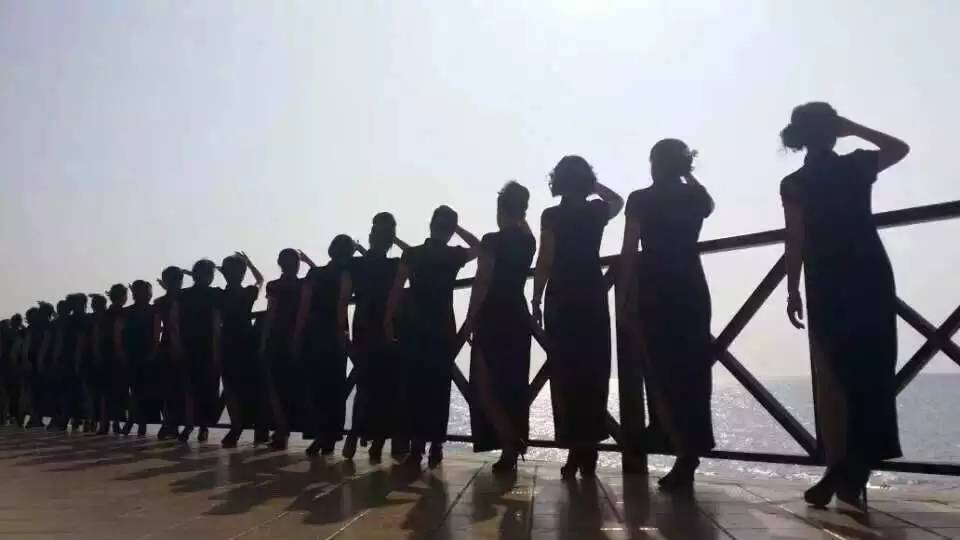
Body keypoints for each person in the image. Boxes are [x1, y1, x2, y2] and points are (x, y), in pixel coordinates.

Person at [779, 103, 909, 508]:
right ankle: (851, 469)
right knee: (873, 373)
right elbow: (899, 148)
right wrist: (855, 127)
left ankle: (842, 468)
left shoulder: (794, 182)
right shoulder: (856, 165)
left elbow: (795, 239)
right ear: (833, 130)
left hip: (826, 278)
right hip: (869, 272)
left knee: (839, 377)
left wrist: (792, 289)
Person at [617, 139, 715, 490]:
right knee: (693, 371)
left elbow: (629, 249)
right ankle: (689, 448)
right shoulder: (694, 197)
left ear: (655, 163)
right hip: (691, 283)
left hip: (656, 286)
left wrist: (625, 295)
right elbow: (709, 203)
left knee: (659, 370)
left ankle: (677, 443)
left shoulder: (640, 199)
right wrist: (688, 174)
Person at [532, 155, 624, 479]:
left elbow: (545, 258)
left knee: (566, 374)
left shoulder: (551, 215)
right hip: (591, 293)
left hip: (561, 296)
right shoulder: (596, 210)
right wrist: (594, 185)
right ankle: (589, 448)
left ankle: (575, 449)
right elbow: (618, 201)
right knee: (593, 372)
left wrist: (536, 297)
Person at [385, 205, 480, 469]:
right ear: (449, 231)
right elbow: (479, 247)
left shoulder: (413, 253)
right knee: (439, 387)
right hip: (442, 326)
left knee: (414, 386)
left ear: (430, 224)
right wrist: (458, 228)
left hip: (414, 326)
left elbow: (397, 288)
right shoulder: (453, 254)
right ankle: (436, 444)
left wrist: (388, 319)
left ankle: (416, 445)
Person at [464, 181, 536, 474]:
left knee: (483, 383)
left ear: (500, 209)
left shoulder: (492, 241)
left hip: (493, 313)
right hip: (517, 312)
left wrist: (471, 317)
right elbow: (525, 229)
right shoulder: (528, 241)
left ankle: (509, 439)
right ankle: (510, 447)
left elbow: (482, 280)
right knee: (512, 382)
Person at [348, 212, 411, 460]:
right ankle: (378, 441)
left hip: (363, 325)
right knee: (386, 387)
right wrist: (395, 240)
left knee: (364, 384)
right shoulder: (394, 265)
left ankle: (355, 435)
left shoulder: (356, 265)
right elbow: (412, 255)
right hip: (389, 326)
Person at [294, 235, 355, 456]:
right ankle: (329, 436)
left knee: (316, 387)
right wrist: (343, 333)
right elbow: (341, 303)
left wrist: (298, 334)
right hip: (333, 333)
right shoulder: (345, 274)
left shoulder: (315, 274)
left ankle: (320, 434)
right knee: (334, 387)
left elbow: (304, 305)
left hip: (313, 332)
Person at [261, 248, 306, 450]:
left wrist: (263, 342)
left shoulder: (274, 286)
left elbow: (270, 314)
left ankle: (281, 430)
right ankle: (288, 428)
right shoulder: (304, 284)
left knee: (275, 388)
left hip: (277, 337)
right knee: (293, 387)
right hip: (299, 338)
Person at [218, 251, 265, 448]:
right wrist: (250, 263)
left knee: (230, 387)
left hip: (227, 340)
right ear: (243, 273)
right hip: (247, 340)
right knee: (251, 386)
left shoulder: (219, 295)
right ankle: (258, 430)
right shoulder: (249, 292)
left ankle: (236, 426)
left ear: (225, 273)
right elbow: (260, 279)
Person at [179, 259, 223, 443]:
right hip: (205, 345)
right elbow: (216, 322)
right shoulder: (214, 294)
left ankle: (191, 425)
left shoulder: (184, 295)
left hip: (190, 344)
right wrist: (216, 349)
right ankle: (202, 426)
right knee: (206, 389)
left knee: (192, 389)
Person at [117, 280, 160, 436]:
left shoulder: (129, 311)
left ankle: (136, 422)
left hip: (141, 353)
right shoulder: (149, 311)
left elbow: (156, 333)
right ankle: (138, 422)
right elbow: (119, 333)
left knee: (138, 390)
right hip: (135, 353)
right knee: (137, 390)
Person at [154, 266, 188, 440]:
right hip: (187, 345)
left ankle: (170, 423)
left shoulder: (160, 302)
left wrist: (155, 348)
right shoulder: (187, 298)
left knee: (168, 388)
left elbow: (157, 328)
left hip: (166, 346)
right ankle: (184, 424)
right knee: (183, 388)